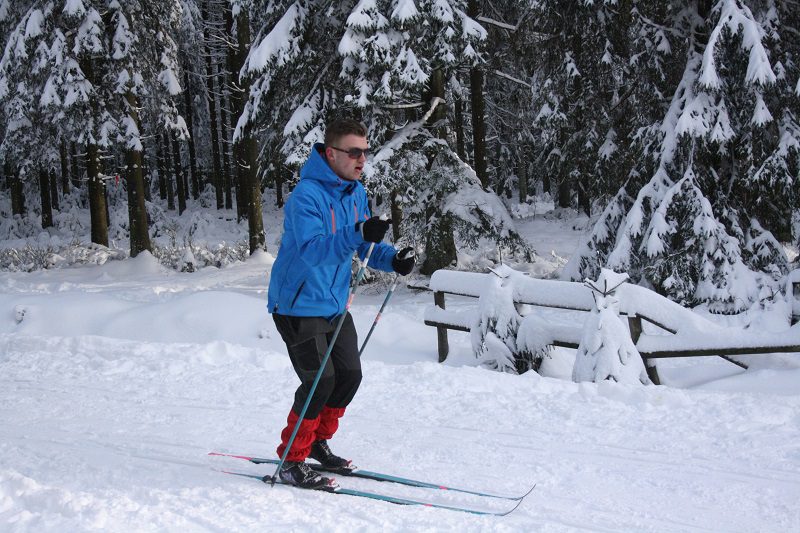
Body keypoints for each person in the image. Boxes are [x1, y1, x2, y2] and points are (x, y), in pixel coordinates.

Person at [267, 118, 416, 490]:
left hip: (334, 302)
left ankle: (316, 442)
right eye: (353, 152)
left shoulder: (355, 193)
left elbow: (363, 244)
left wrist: (392, 258)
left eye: (365, 151)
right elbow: (312, 250)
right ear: (330, 153)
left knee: (349, 376)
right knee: (320, 381)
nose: (361, 159)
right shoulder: (306, 196)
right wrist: (356, 232)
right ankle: (291, 460)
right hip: (298, 304)